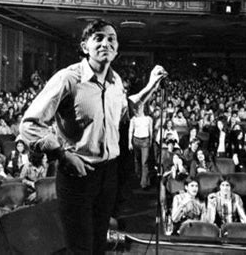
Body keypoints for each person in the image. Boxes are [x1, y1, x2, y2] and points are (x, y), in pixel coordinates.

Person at [20, 19, 167, 254]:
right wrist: (62, 153)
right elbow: (29, 124)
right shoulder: (68, 79)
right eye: (98, 38)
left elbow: (124, 109)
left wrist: (150, 86)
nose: (105, 43)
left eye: (111, 39)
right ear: (84, 46)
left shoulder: (116, 80)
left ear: (117, 48)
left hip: (108, 175)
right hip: (78, 174)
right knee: (81, 248)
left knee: (99, 243)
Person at [128, 103, 153, 189]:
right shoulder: (134, 119)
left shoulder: (148, 119)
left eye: (141, 107)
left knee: (144, 162)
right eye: (139, 107)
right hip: (136, 140)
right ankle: (140, 176)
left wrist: (151, 140)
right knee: (137, 160)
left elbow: (151, 130)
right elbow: (130, 130)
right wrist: (129, 143)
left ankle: (144, 183)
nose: (140, 108)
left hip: (145, 141)